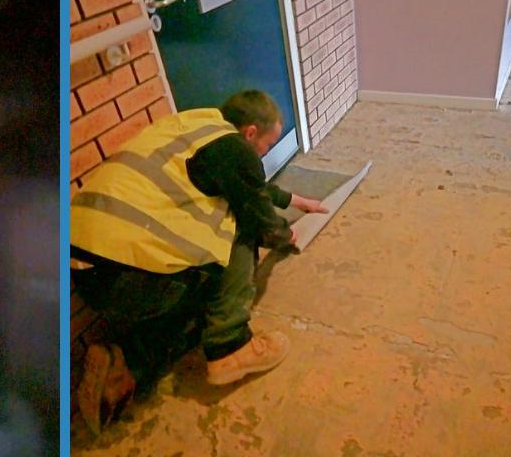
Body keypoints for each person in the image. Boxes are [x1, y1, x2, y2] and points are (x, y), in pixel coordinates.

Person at [71, 90, 327, 433]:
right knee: (236, 226)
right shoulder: (234, 148)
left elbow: (249, 185)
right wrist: (285, 235)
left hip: (87, 270)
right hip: (128, 274)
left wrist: (297, 200)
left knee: (198, 306)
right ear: (250, 132)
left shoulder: (193, 128)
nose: (265, 153)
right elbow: (258, 215)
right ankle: (230, 347)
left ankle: (122, 361)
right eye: (267, 145)